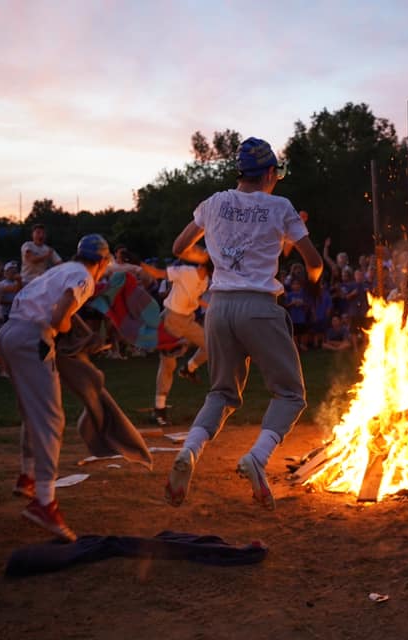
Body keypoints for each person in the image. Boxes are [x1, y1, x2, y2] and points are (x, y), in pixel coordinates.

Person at [165, 137, 323, 511]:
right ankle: (257, 457)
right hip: (259, 307)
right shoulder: (280, 206)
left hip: (219, 308)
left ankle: (189, 452)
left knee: (220, 394)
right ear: (270, 173)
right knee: (290, 393)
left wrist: (217, 257)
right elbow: (313, 261)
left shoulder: (214, 202)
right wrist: (312, 280)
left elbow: (179, 247)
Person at [0, 234, 112, 541]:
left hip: (9, 333)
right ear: (101, 262)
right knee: (51, 419)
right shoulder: (84, 277)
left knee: (31, 411)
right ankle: (44, 502)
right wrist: (69, 333)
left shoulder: (61, 269)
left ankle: (28, 476)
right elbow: (58, 316)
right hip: (31, 336)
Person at [142, 260, 212, 426]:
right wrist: (138, 263)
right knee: (168, 365)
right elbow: (159, 273)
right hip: (171, 320)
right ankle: (159, 410)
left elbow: (195, 298)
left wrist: (212, 305)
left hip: (187, 320)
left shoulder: (205, 280)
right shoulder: (186, 271)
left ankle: (189, 369)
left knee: (211, 346)